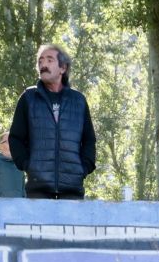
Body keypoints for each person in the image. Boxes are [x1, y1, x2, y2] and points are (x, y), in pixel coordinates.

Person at [8, 44, 96, 199]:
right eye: (40, 61)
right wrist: (28, 166)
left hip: (72, 190)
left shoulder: (79, 101)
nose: (43, 65)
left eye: (49, 60)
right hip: (38, 190)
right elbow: (15, 138)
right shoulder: (28, 98)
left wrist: (83, 168)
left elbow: (89, 140)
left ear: (63, 68)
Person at [0, 131, 25, 198]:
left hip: (18, 206)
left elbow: (23, 191)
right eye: (7, 141)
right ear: (0, 145)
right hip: (0, 207)